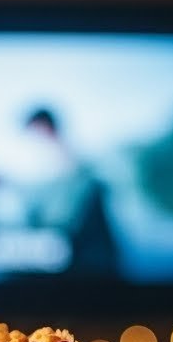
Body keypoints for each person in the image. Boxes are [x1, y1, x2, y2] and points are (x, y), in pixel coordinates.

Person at [20, 107, 120, 276]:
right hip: (79, 248)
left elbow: (69, 212)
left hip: (86, 252)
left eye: (35, 132)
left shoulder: (68, 161)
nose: (34, 140)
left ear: (44, 127)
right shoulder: (59, 160)